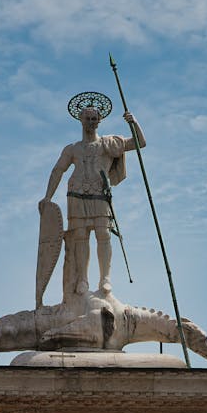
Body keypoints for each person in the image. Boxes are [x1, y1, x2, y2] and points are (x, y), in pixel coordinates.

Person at [39, 103, 145, 297]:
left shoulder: (108, 143)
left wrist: (134, 123)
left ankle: (105, 279)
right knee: (80, 237)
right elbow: (58, 170)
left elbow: (139, 143)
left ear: (99, 121)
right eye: (87, 118)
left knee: (103, 234)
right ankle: (83, 279)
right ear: (81, 120)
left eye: (94, 119)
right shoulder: (72, 149)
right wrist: (48, 197)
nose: (90, 122)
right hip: (77, 195)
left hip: (100, 193)